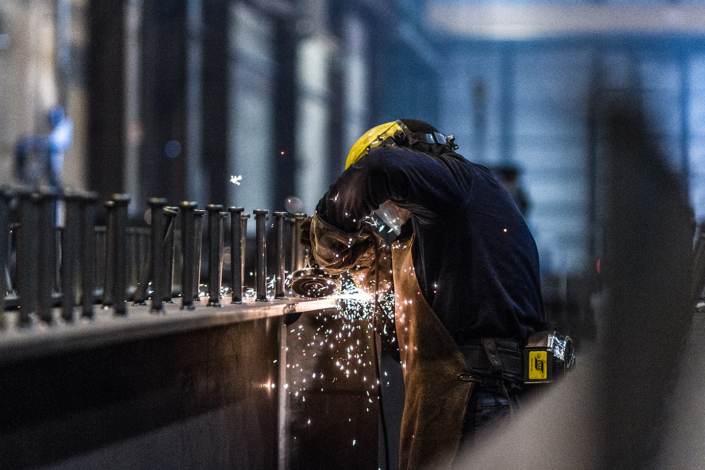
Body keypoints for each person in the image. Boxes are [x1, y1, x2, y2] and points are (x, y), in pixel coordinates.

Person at [302, 119, 546, 469]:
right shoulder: (447, 222)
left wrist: (330, 231)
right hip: (472, 396)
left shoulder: (456, 181)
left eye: (378, 207)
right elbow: (403, 343)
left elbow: (378, 170)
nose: (380, 215)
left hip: (480, 399)